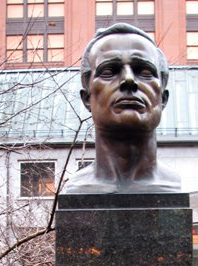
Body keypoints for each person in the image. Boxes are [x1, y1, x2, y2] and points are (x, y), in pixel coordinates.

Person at [64, 23, 181, 193]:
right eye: (109, 71)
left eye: (145, 72)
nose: (129, 79)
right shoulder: (76, 189)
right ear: (87, 99)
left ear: (162, 99)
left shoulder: (173, 187)